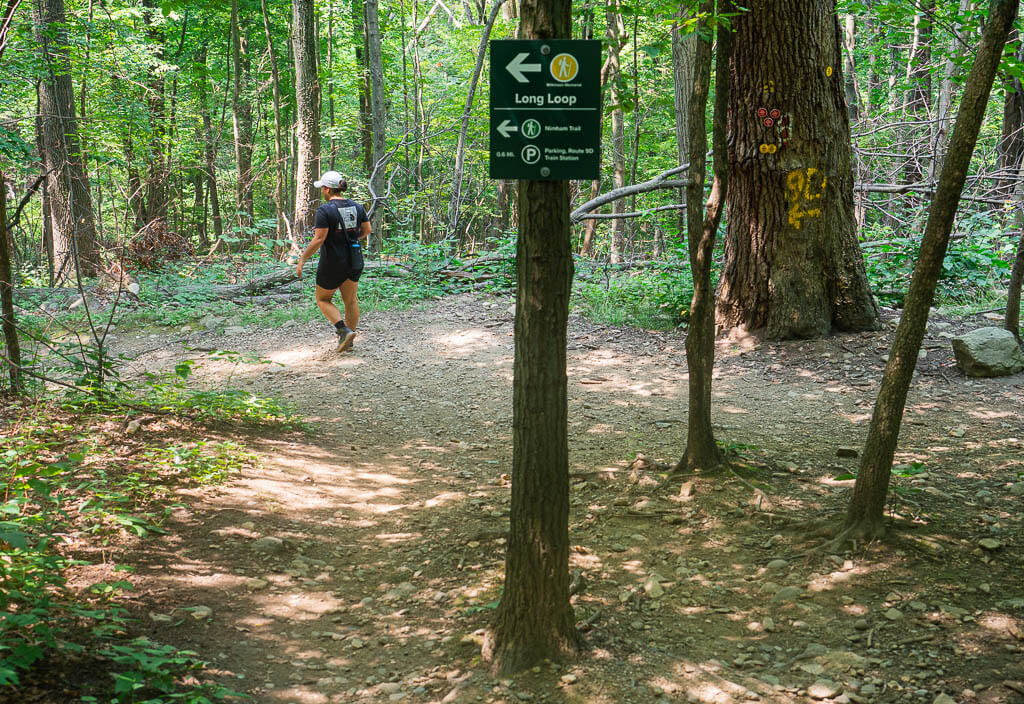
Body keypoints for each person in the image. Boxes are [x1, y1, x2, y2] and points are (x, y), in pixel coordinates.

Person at [295, 171, 371, 352]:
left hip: (332, 262)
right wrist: (350, 240)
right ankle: (349, 340)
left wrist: (302, 260)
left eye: (322, 188)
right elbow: (367, 230)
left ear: (328, 189)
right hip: (354, 259)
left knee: (322, 299)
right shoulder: (357, 207)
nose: (322, 191)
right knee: (350, 300)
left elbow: (319, 239)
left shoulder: (325, 210)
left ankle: (343, 331)